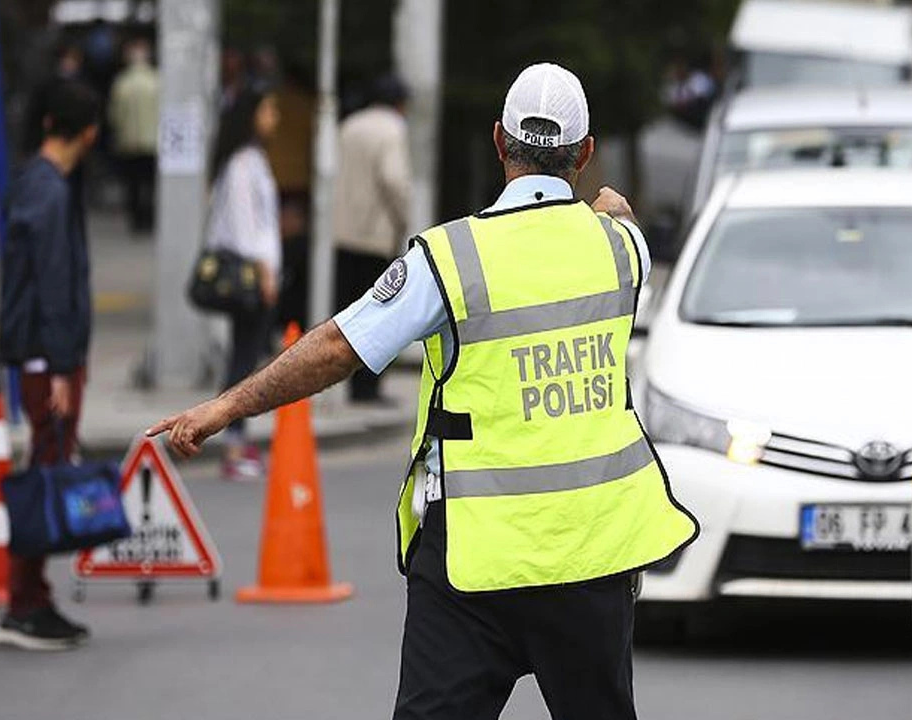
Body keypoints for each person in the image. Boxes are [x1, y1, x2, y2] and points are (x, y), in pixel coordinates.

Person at [148, 63, 698, 719]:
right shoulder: (621, 251)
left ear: (499, 141)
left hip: (474, 558)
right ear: (585, 152)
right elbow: (618, 216)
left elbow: (336, 347)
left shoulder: (451, 259)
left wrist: (226, 406)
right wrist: (609, 208)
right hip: (590, 556)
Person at [0, 81, 100, 651]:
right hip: (47, 358)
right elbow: (54, 286)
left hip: (39, 352)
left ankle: (31, 597)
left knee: (46, 464)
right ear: (89, 132)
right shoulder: (52, 192)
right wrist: (63, 368)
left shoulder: (33, 181)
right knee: (46, 471)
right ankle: (24, 603)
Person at [202, 86, 282, 482]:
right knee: (243, 358)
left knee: (245, 353)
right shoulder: (242, 163)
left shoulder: (249, 159)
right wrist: (266, 272)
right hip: (250, 275)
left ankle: (237, 437)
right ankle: (233, 442)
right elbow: (246, 227)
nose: (274, 118)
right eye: (268, 109)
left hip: (256, 272)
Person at [331, 73, 412, 403]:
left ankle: (350, 383)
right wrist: (403, 216)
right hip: (375, 234)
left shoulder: (349, 126)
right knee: (379, 314)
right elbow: (393, 178)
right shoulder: (393, 129)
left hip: (343, 230)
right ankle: (368, 388)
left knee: (349, 311)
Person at [108, 38, 159, 236]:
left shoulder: (122, 83)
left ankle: (137, 218)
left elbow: (115, 114)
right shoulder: (156, 81)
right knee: (150, 182)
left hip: (129, 140)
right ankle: (149, 217)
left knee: (133, 183)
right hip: (152, 140)